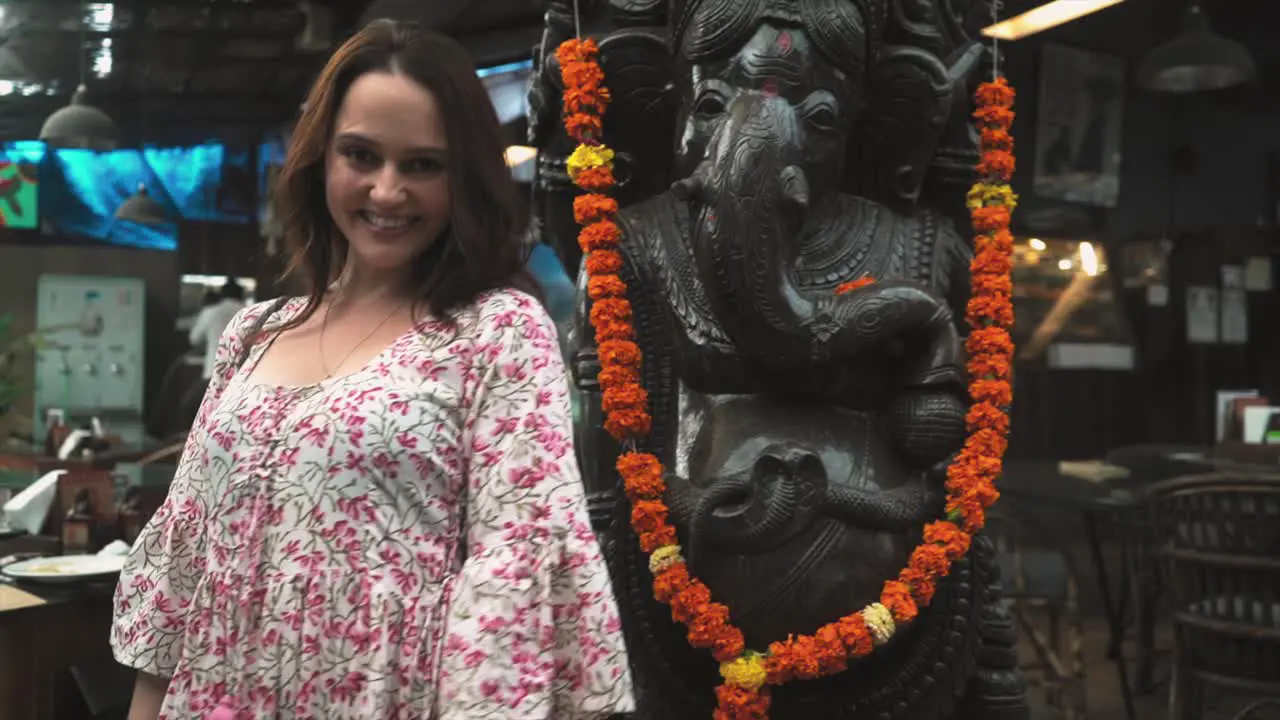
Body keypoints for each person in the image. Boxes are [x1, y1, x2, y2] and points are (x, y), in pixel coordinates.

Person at [113, 20, 634, 720]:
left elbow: (516, 571)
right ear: (321, 159)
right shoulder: (252, 332)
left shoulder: (496, 334)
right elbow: (179, 574)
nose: (387, 192)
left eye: (422, 165)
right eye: (362, 155)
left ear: (464, 178)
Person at [187, 278, 247, 381]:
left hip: (214, 372)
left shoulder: (210, 312)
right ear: (242, 295)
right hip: (243, 375)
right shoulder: (252, 313)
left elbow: (194, 339)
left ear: (222, 295)